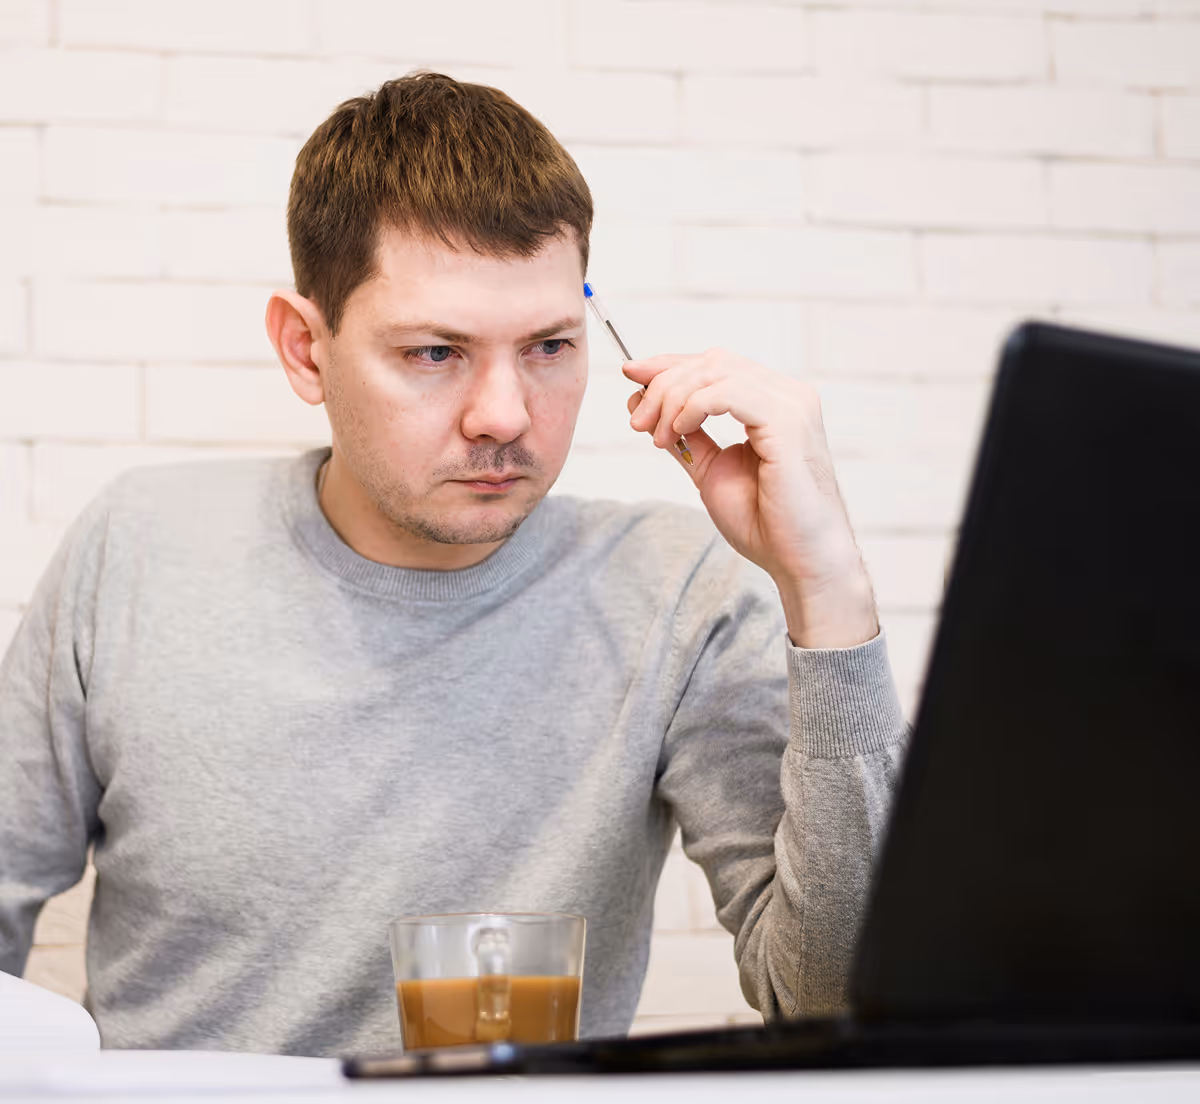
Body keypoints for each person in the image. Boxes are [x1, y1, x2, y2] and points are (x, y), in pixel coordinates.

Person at [0, 72, 908, 1057]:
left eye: (550, 346)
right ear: (306, 350)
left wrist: (828, 594)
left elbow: (835, 1004)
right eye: (435, 353)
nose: (506, 415)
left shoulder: (679, 593)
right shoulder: (136, 548)